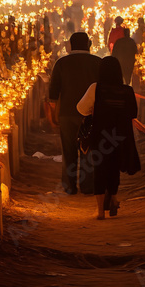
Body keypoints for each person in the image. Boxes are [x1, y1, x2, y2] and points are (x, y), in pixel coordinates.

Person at [77, 56, 140, 219]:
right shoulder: (127, 90)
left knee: (99, 169)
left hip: (100, 136)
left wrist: (94, 109)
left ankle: (99, 211)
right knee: (114, 169)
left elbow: (81, 109)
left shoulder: (95, 88)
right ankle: (113, 197)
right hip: (120, 136)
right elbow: (133, 113)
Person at [48, 32, 101, 195]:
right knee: (89, 149)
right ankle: (88, 186)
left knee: (69, 150)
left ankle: (70, 186)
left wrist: (53, 116)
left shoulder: (62, 63)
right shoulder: (98, 63)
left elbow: (53, 95)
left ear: (71, 45)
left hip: (67, 114)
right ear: (89, 45)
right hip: (91, 114)